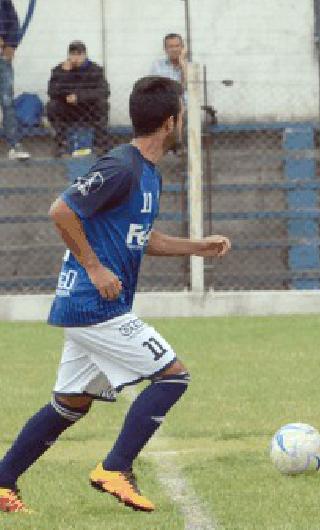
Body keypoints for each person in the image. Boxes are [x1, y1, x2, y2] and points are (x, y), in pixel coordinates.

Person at [0, 76, 232, 514]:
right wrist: (93, 265)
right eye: (182, 116)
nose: (183, 123)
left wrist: (197, 246)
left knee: (70, 404)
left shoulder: (148, 174)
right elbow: (61, 210)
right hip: (94, 304)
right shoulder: (120, 167)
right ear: (169, 122)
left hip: (93, 305)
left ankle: (2, 481)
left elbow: (139, 237)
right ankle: (116, 468)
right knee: (173, 376)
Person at [46, 40, 111, 156]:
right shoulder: (59, 70)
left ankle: (100, 144)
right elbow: (52, 91)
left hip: (88, 108)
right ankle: (61, 143)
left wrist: (79, 97)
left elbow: (104, 91)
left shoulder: (95, 69)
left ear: (85, 55)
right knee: (52, 106)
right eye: (73, 54)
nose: (76, 58)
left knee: (103, 104)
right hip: (68, 108)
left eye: (79, 54)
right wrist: (64, 74)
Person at [0, 0, 29, 160]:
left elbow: (12, 21)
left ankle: (14, 145)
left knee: (7, 102)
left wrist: (11, 45)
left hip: (1, 58)